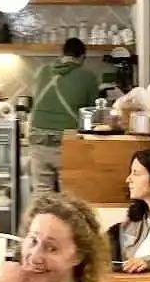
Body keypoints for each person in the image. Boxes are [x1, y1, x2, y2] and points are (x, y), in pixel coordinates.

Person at [25, 38, 102, 192]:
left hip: (37, 140)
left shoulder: (42, 71)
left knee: (42, 194)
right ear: (82, 57)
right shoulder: (87, 77)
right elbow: (93, 113)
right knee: (69, 194)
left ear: (63, 54)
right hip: (66, 142)